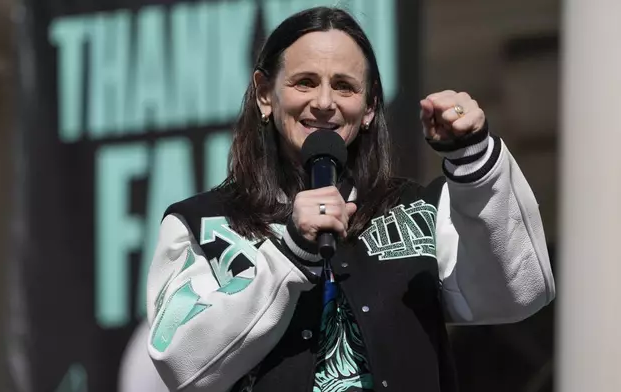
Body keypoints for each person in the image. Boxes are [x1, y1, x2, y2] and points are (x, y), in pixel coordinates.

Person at [145, 6, 555, 392]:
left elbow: (519, 292)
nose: (324, 103)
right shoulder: (201, 224)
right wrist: (289, 255)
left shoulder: (416, 210)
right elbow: (180, 362)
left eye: (344, 86)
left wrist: (474, 158)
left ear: (370, 107)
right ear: (265, 94)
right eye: (305, 82)